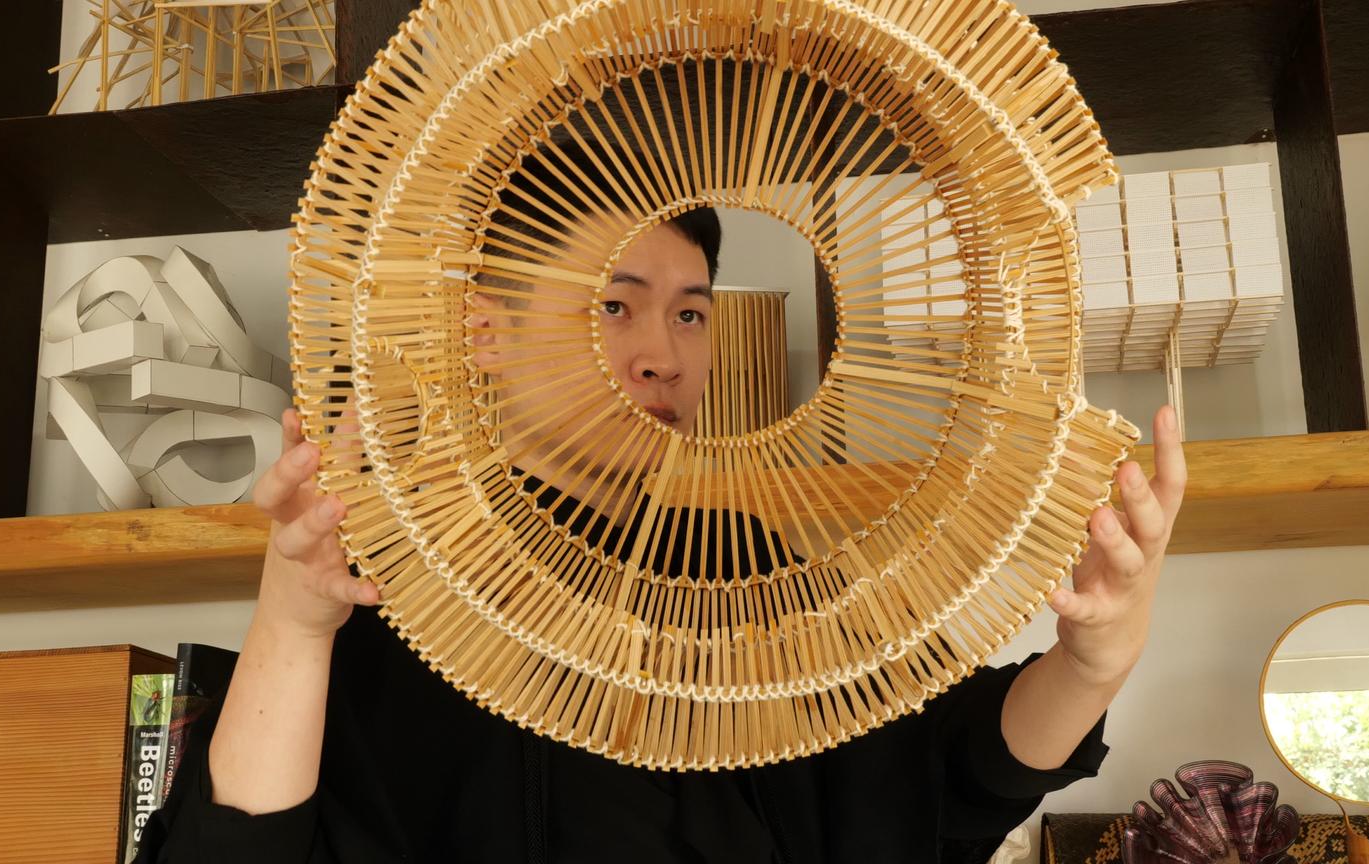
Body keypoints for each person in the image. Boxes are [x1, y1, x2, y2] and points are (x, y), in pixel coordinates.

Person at [137, 145, 1187, 863]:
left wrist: (1090, 663)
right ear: (483, 332)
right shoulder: (386, 582)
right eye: (615, 305)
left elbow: (938, 783)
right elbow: (237, 849)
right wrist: (293, 622)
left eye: (691, 314)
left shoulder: (749, 573)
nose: (664, 355)